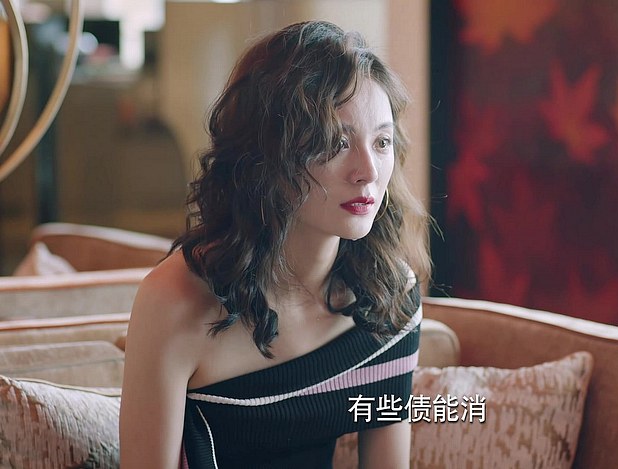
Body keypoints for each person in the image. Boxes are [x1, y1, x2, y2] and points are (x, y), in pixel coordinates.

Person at [119, 20, 431, 469]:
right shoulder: (174, 301)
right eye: (336, 142)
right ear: (268, 154)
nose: (367, 171)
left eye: (381, 141)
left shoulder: (389, 295)